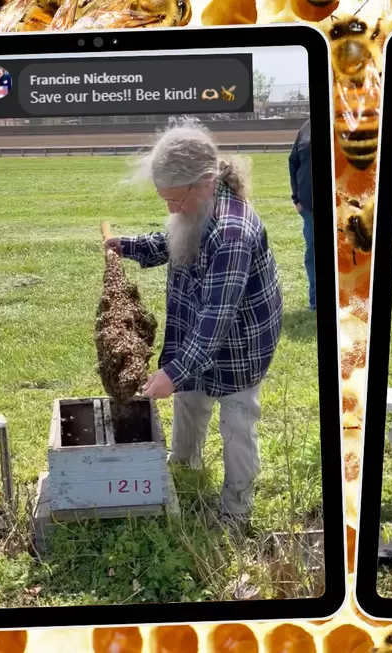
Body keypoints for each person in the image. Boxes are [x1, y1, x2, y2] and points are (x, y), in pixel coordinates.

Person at [105, 122, 284, 533]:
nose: (170, 209)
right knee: (190, 402)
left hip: (241, 346)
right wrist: (130, 247)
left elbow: (215, 322)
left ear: (204, 183)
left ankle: (234, 512)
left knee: (237, 424)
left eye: (174, 199)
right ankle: (185, 471)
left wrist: (173, 372)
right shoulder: (196, 206)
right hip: (197, 338)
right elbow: (173, 240)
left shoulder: (232, 232)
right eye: (164, 199)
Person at [288, 118, 315, 311]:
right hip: (309, 208)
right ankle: (315, 301)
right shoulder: (306, 128)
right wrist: (296, 198)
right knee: (312, 256)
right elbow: (293, 162)